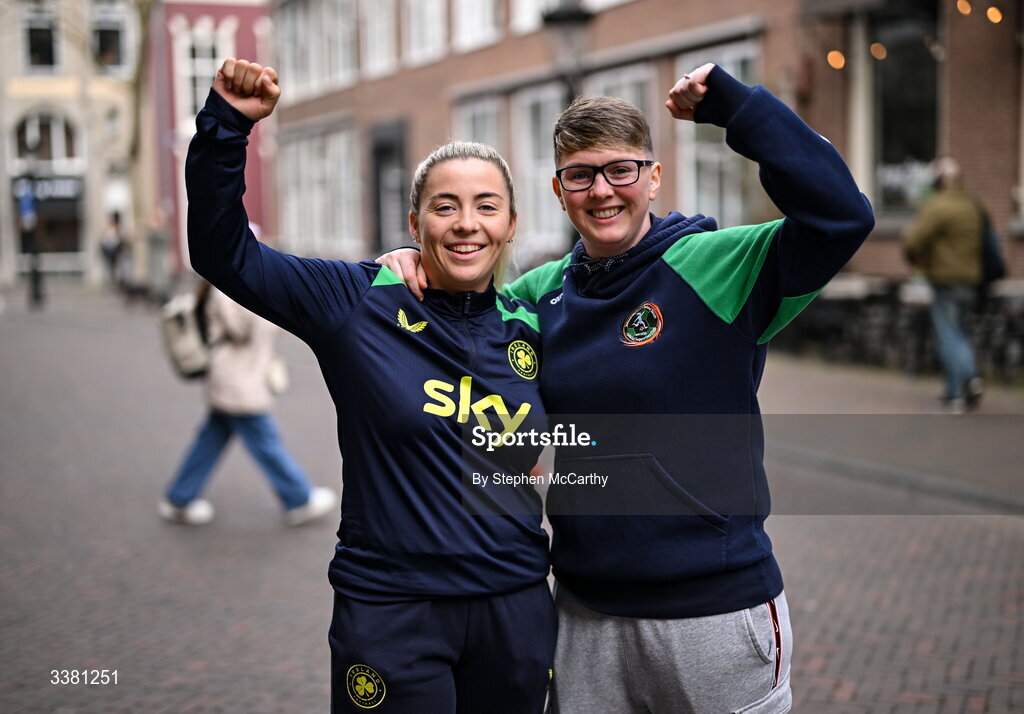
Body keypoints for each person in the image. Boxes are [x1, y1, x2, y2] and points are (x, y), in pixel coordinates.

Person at [381, 63, 875, 713]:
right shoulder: (541, 295)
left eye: (622, 170)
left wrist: (739, 108)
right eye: (581, 175)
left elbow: (842, 217)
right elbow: (459, 325)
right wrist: (416, 261)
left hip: (715, 614)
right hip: (586, 617)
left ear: (653, 177)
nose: (603, 191)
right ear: (560, 192)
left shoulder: (717, 266)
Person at [185, 58, 556, 713]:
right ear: (415, 225)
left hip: (515, 606)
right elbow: (224, 254)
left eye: (485, 206)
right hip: (393, 611)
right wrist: (226, 127)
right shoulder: (354, 301)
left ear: (509, 224)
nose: (466, 223)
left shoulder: (536, 323)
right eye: (446, 207)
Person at [159, 276, 337, 527]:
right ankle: (298, 498)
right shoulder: (227, 290)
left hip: (236, 375)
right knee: (265, 440)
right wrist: (269, 302)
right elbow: (243, 330)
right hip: (236, 378)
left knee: (212, 438)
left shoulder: (227, 286)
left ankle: (179, 497)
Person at [904, 156, 985, 411]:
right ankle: (955, 390)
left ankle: (967, 382)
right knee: (959, 332)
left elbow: (913, 240)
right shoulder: (973, 203)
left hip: (946, 279)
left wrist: (916, 261)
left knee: (948, 335)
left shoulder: (938, 206)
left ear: (938, 182)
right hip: (971, 279)